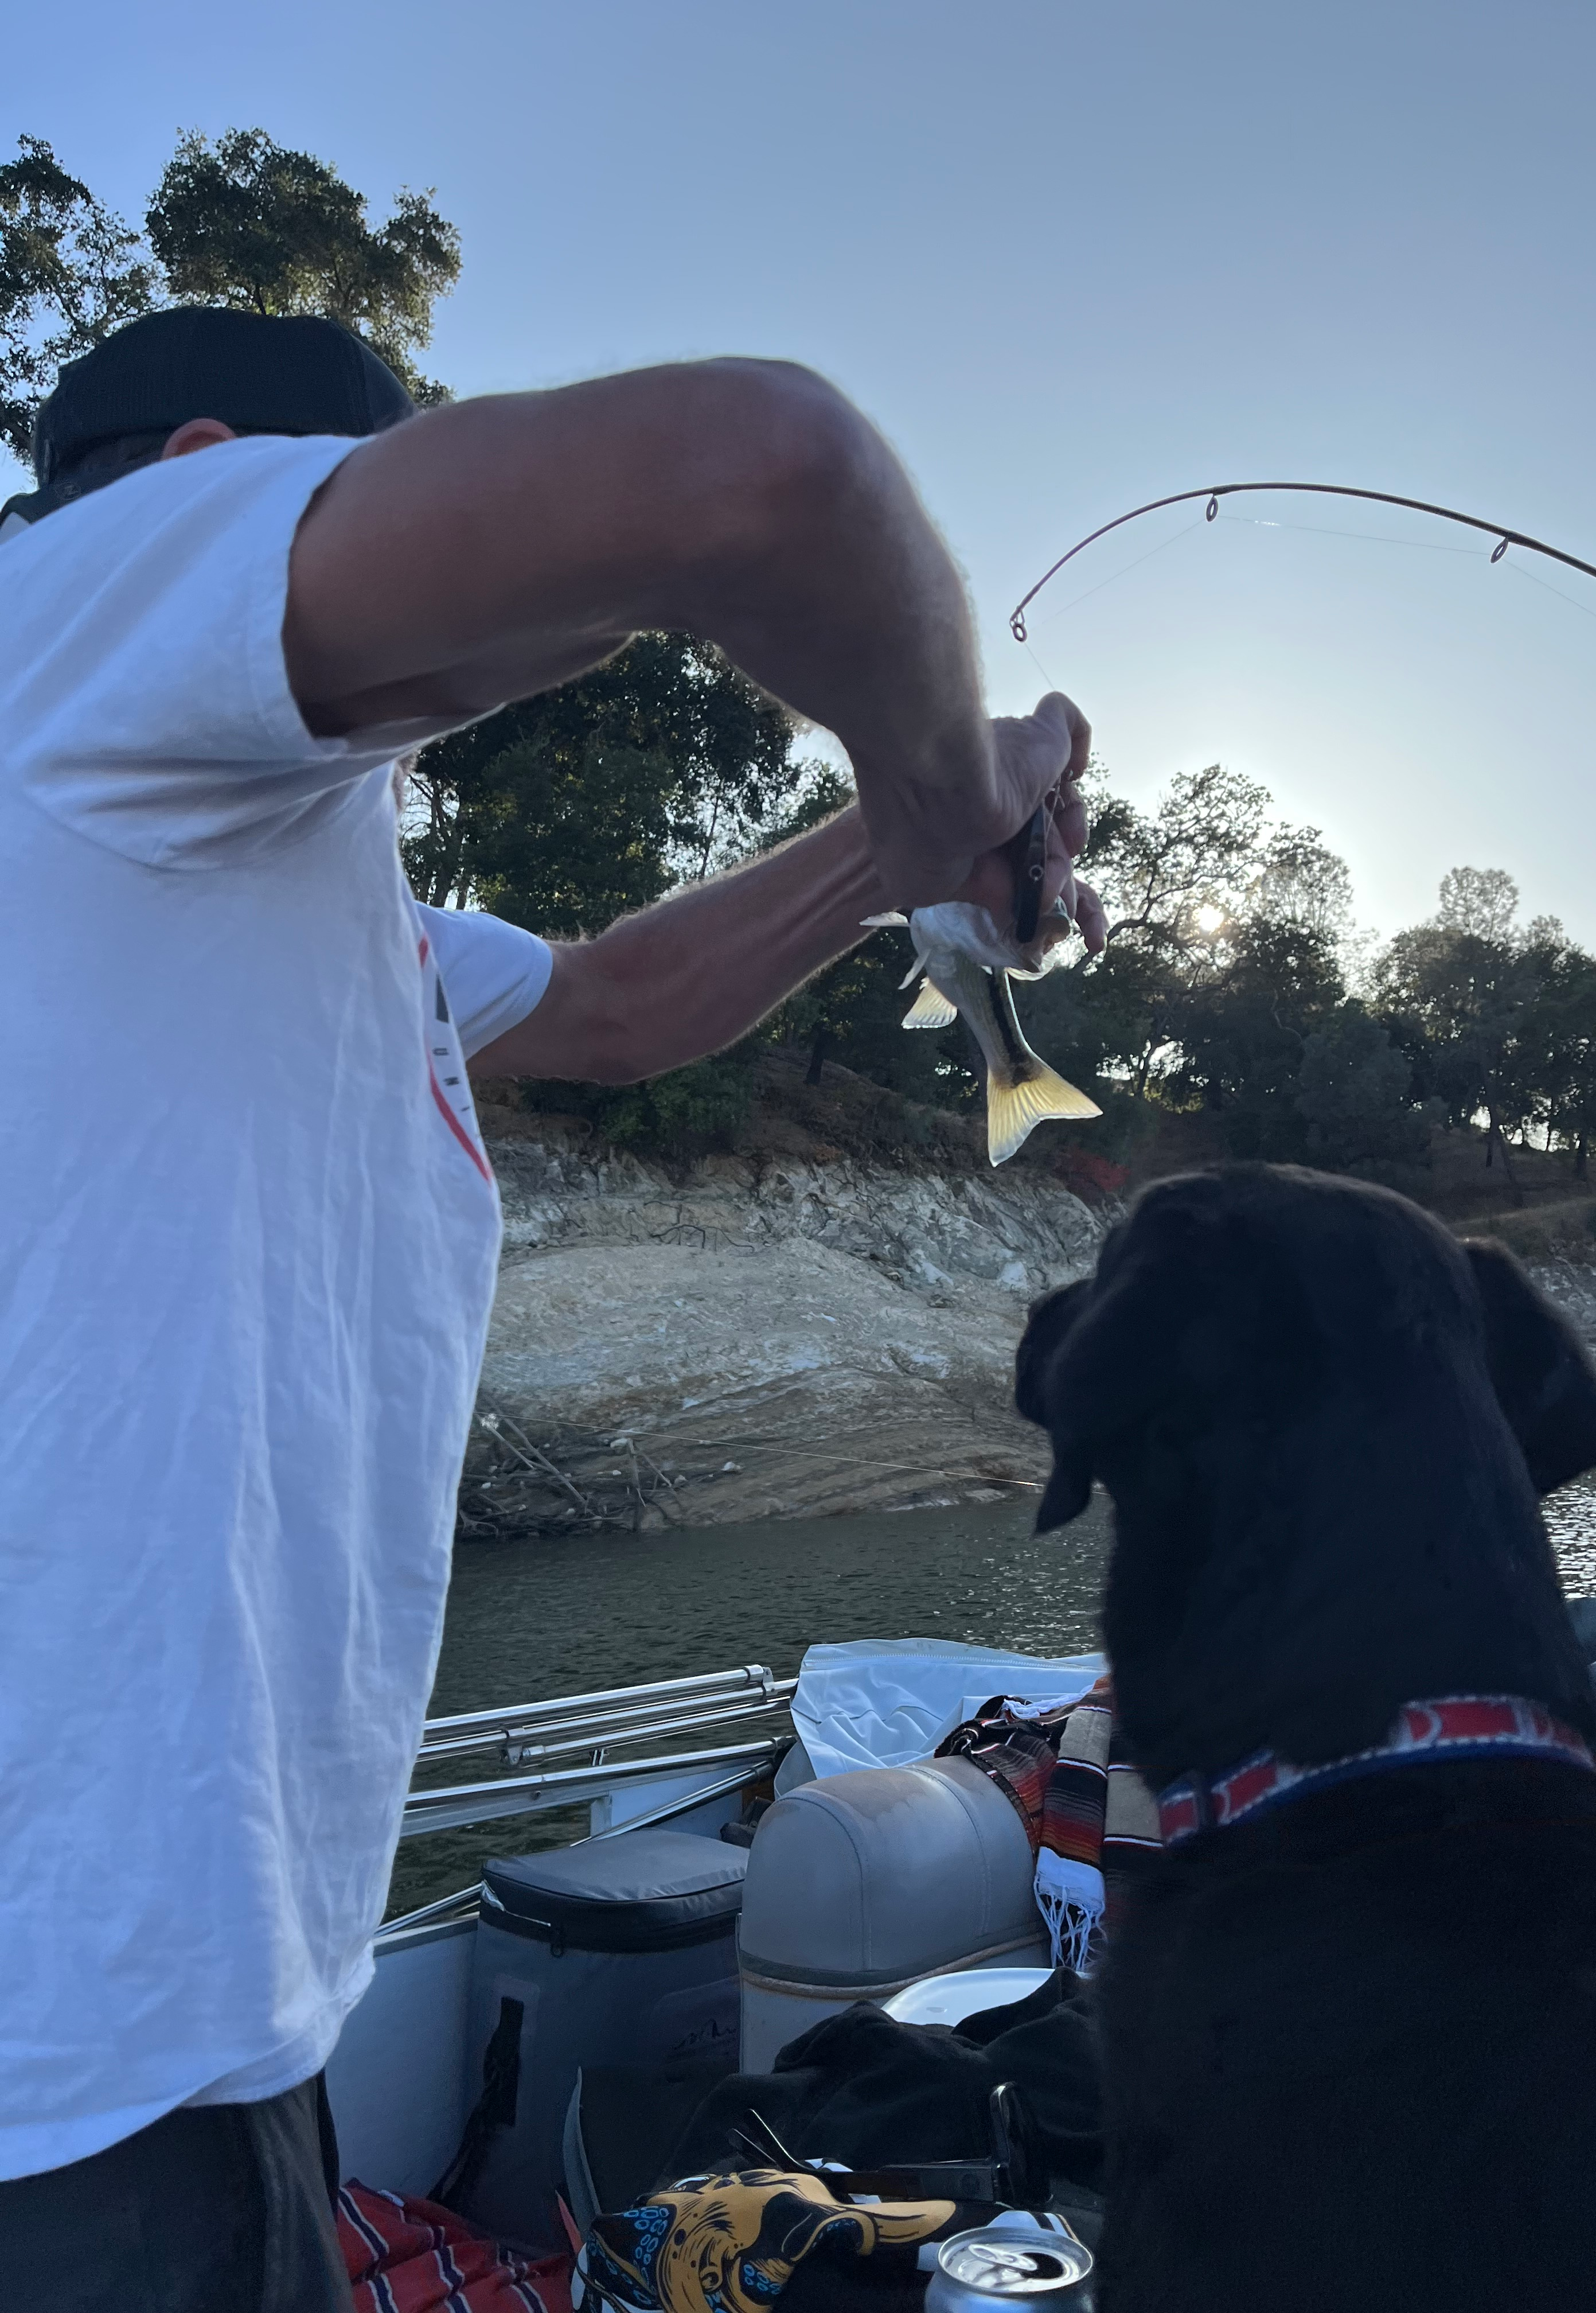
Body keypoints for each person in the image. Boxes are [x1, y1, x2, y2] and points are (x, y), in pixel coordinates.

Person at [0, 305, 1101, 2307]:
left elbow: (611, 1003)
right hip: (65, 2091)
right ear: (207, 486)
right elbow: (762, 471)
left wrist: (905, 847)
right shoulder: (76, 600)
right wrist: (944, 787)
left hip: (195, 2028)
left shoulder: (242, 872)